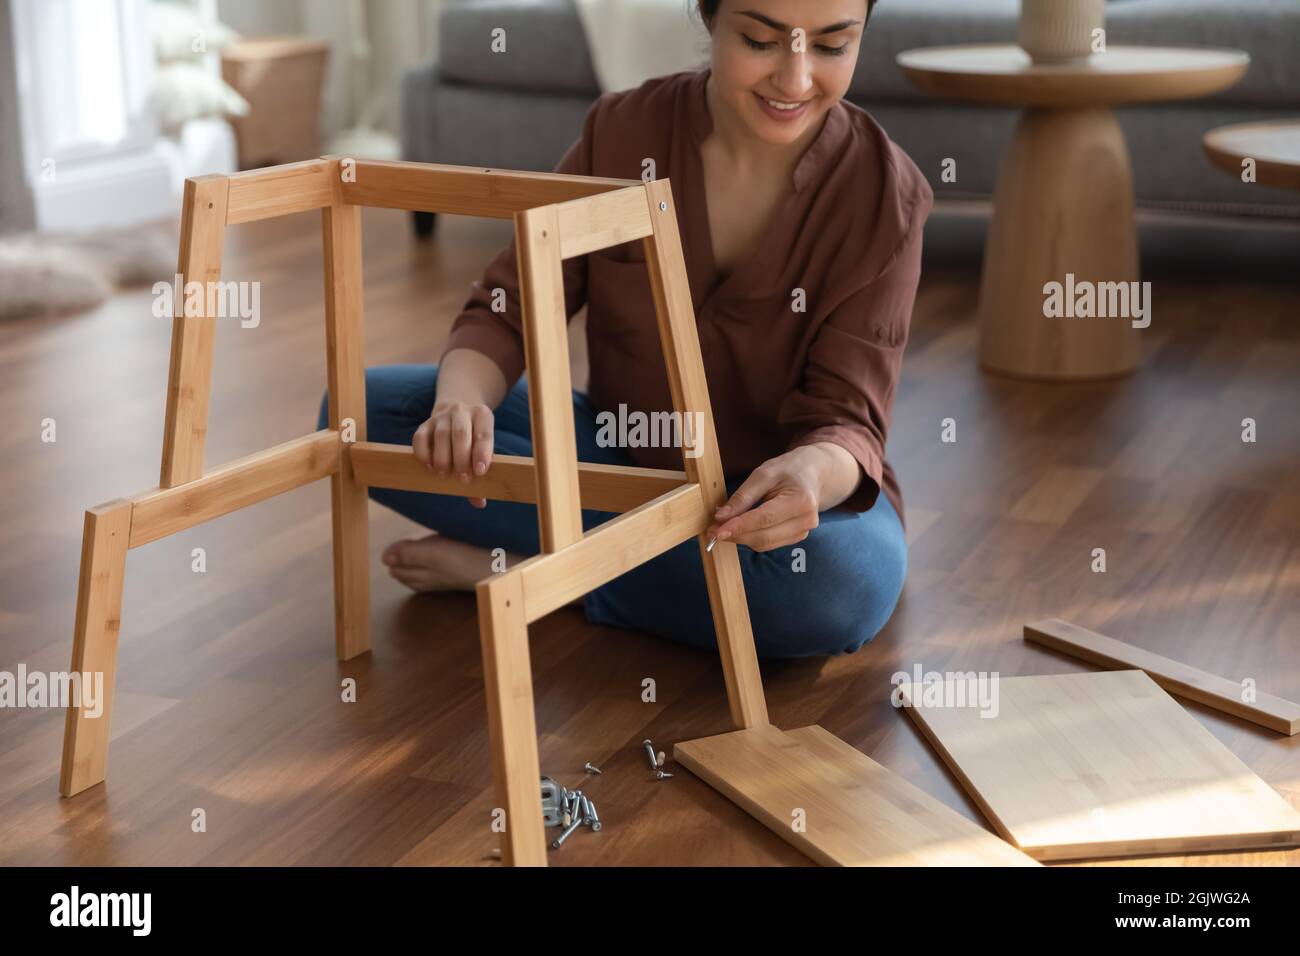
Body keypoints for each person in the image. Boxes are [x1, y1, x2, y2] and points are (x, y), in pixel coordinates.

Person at [316, 0, 932, 658]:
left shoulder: (883, 195)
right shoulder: (623, 131)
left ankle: (539, 576)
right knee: (359, 414)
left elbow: (847, 424)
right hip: (620, 461)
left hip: (772, 510)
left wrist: (808, 477)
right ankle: (640, 573)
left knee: (836, 588)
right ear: (708, 15)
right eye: (761, 40)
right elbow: (514, 303)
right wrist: (461, 404)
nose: (795, 79)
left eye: (833, 48)